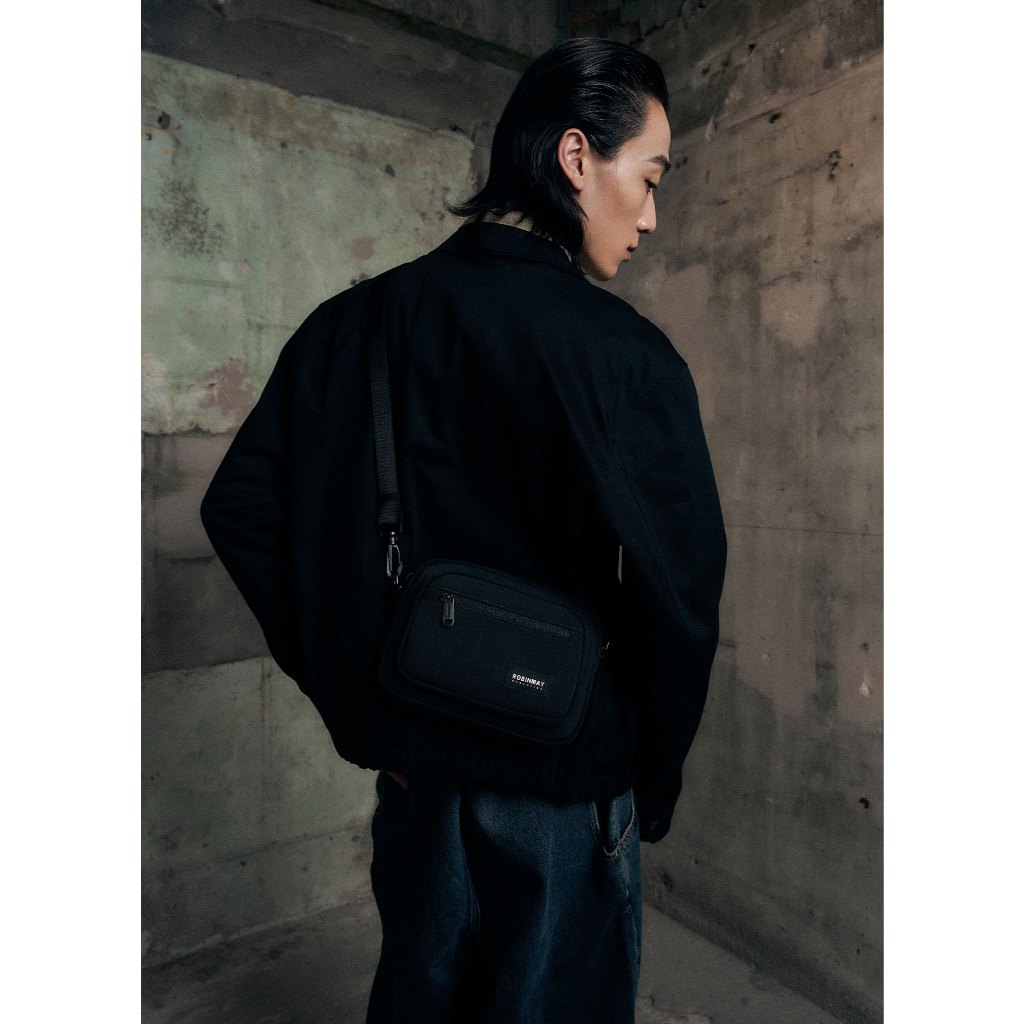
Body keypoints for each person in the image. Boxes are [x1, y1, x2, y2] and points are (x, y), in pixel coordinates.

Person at [201, 36, 726, 1024]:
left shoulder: (353, 325)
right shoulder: (626, 354)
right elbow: (681, 595)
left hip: (419, 772)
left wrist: (362, 701)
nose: (652, 216)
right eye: (649, 179)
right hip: (568, 782)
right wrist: (644, 779)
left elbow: (242, 510)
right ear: (576, 157)